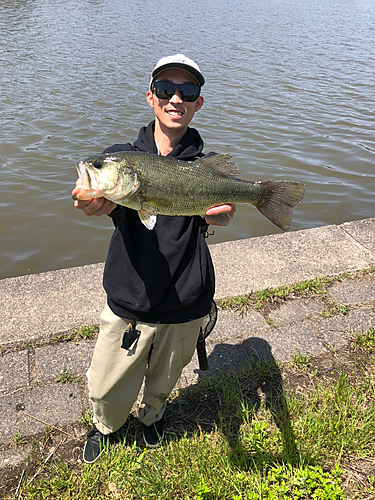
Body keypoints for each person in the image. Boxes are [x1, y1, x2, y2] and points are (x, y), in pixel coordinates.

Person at [72, 54, 236, 463]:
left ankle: (153, 416)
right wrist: (95, 199)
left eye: (188, 91)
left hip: (186, 295)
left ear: (199, 103)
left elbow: (223, 210)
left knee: (164, 379)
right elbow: (98, 198)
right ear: (151, 98)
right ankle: (106, 424)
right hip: (131, 296)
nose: (175, 98)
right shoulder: (120, 158)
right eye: (165, 90)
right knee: (107, 386)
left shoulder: (205, 167)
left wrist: (228, 212)